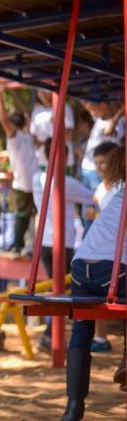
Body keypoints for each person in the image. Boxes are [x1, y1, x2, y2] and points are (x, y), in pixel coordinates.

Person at [59, 144, 126, 421]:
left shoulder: (117, 194)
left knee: (82, 326)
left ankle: (73, 408)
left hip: (80, 268)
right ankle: (125, 361)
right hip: (110, 272)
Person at [33, 139, 94, 353]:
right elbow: (94, 197)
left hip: (44, 241)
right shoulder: (67, 182)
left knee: (55, 289)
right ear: (66, 156)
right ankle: (50, 334)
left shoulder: (36, 179)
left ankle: (50, 334)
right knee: (64, 291)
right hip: (63, 241)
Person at [0, 87, 38, 254]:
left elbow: (4, 119)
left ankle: (21, 245)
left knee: (25, 215)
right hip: (29, 181)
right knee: (25, 215)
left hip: (27, 182)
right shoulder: (22, 136)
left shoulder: (21, 136)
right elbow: (5, 119)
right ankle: (20, 245)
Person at [89, 140, 119, 354]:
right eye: (97, 163)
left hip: (119, 249)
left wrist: (97, 215)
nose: (100, 168)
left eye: (105, 163)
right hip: (105, 250)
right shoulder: (100, 189)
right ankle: (100, 337)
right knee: (93, 289)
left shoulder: (121, 186)